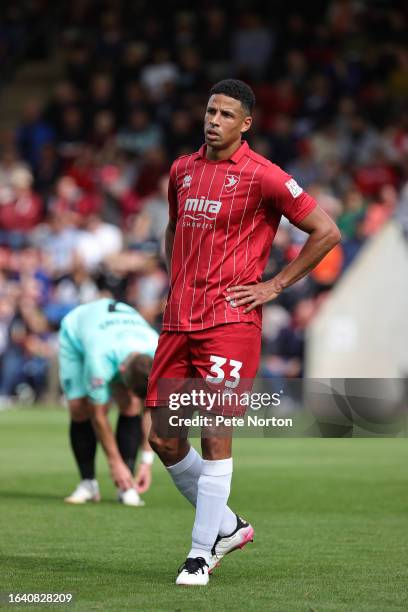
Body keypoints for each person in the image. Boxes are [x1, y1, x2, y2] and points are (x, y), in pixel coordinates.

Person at [145, 79, 341, 585]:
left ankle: (199, 554)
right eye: (211, 111)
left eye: (227, 114)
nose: (214, 120)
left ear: (246, 123)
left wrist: (275, 285)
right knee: (164, 439)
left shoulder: (264, 176)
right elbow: (173, 227)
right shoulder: (182, 170)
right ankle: (228, 526)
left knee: (215, 433)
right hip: (178, 320)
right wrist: (177, 278)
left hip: (230, 323)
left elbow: (326, 231)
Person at [59, 298, 158, 506]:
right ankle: (88, 483)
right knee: (79, 407)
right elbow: (98, 415)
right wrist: (114, 462)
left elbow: (153, 408)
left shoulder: (158, 349)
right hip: (77, 332)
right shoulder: (99, 358)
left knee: (131, 403)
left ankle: (126, 485)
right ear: (121, 372)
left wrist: (147, 462)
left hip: (113, 330)